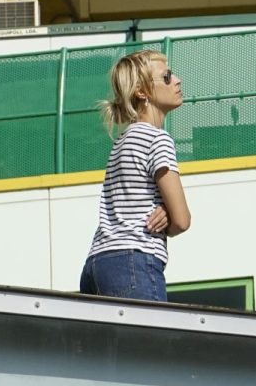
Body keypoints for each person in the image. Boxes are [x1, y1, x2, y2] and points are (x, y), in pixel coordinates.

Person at [79, 49, 191, 302]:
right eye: (167, 76)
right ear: (142, 91)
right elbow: (182, 220)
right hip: (134, 260)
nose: (177, 80)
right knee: (150, 340)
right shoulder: (157, 139)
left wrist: (165, 208)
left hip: (97, 265)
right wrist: (171, 213)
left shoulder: (122, 142)